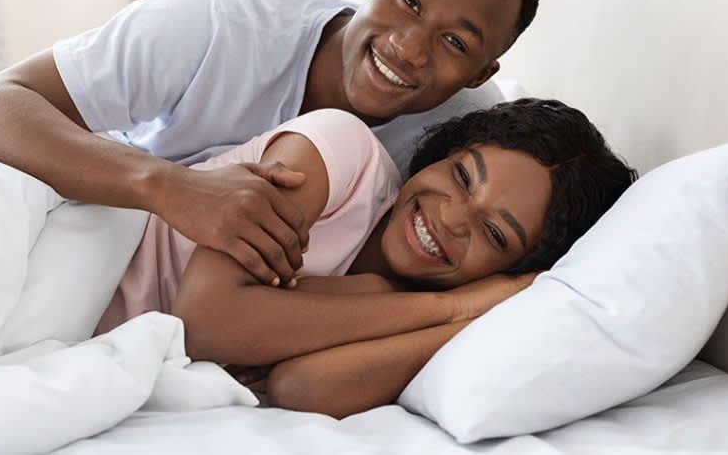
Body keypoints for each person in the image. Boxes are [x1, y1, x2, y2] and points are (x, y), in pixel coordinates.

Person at [0, 0, 541, 290]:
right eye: (409, 0)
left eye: (455, 41)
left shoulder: (471, 137)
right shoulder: (215, 22)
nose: (410, 48)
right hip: (109, 234)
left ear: (480, 73)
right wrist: (171, 187)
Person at [92, 99, 636, 418]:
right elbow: (208, 322)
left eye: (493, 233)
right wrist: (453, 308)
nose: (451, 218)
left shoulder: (412, 305)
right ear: (445, 150)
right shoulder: (341, 154)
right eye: (463, 175)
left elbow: (303, 388)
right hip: (78, 249)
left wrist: (462, 314)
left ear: (511, 270)